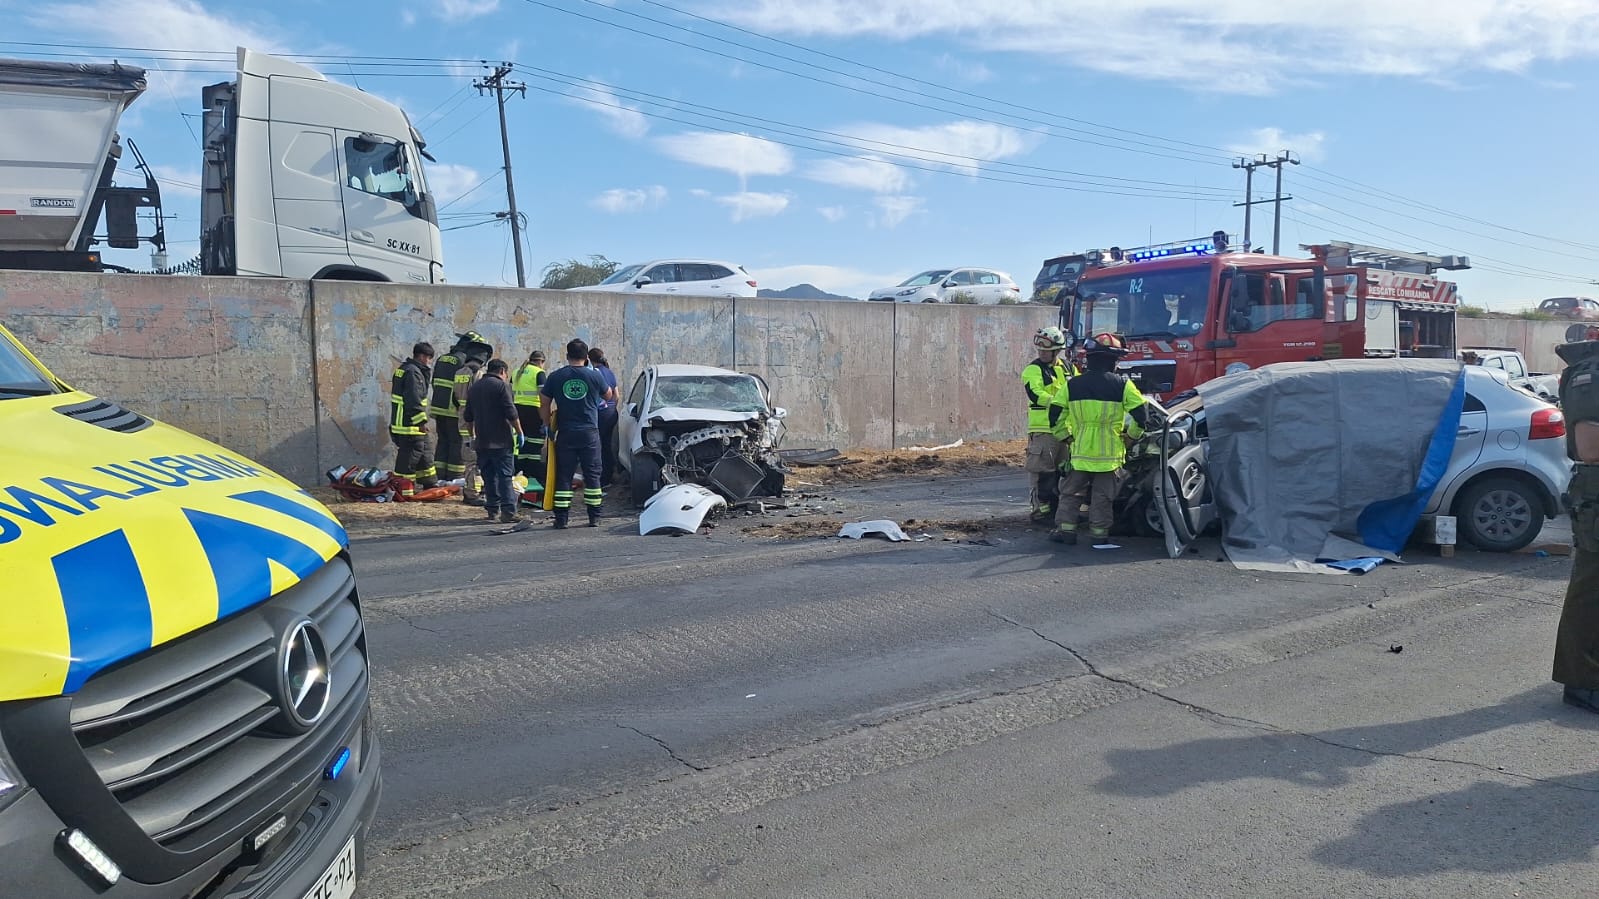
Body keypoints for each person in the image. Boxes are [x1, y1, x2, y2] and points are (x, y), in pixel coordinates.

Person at [1048, 332, 1150, 547]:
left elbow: (1055, 414)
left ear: (1090, 358)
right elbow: (1142, 416)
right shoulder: (1123, 385)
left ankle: (1066, 531)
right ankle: (1099, 534)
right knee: (1103, 497)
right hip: (1109, 456)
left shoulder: (1072, 385)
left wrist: (1065, 437)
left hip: (1080, 453)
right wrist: (1131, 437)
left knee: (1071, 493)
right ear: (1113, 360)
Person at [1553, 338, 1599, 713]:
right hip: (1597, 492)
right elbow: (1591, 446)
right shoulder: (1592, 374)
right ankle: (1581, 682)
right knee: (1591, 588)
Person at [540, 338, 615, 529]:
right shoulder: (594, 376)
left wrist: (547, 424)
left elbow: (544, 401)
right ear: (586, 358)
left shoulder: (556, 376)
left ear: (567, 356)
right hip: (589, 432)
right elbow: (609, 396)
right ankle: (594, 517)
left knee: (564, 475)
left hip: (565, 432)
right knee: (592, 475)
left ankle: (562, 519)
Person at [1021, 326, 1074, 523]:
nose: (1042, 353)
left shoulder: (1068, 368)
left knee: (1064, 472)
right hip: (1043, 431)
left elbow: (1077, 388)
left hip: (1066, 429)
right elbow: (1035, 394)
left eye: (1046, 350)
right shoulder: (1033, 370)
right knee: (1041, 471)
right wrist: (1060, 402)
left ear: (1056, 351)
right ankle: (1040, 511)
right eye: (1040, 350)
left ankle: (1057, 511)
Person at [463, 358, 523, 524]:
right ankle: (509, 512)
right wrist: (519, 432)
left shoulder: (475, 388)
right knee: (504, 476)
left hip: (482, 441)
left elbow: (468, 417)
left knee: (488, 477)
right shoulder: (502, 386)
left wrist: (472, 435)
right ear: (502, 371)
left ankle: (492, 510)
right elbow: (511, 413)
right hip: (501, 441)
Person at [429, 331, 490, 485]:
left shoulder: (443, 358)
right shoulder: (464, 362)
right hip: (453, 410)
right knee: (457, 443)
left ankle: (441, 476)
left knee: (442, 442)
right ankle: (454, 477)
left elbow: (434, 381)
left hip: (438, 408)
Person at [389, 342, 439, 496]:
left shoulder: (404, 369)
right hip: (409, 424)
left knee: (424, 450)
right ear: (423, 357)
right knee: (410, 455)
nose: (430, 362)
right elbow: (413, 400)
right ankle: (402, 489)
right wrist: (421, 422)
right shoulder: (413, 373)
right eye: (429, 358)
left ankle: (429, 484)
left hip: (402, 422)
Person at [512, 350, 548, 493]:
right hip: (534, 412)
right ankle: (533, 477)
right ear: (541, 362)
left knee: (521, 445)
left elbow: (510, 393)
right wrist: (546, 420)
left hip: (517, 412)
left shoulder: (516, 372)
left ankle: (521, 475)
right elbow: (542, 398)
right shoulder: (539, 373)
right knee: (535, 445)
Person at [588, 346, 621, 487]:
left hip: (600, 413)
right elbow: (617, 395)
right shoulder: (610, 372)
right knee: (607, 445)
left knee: (597, 445)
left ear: (590, 359)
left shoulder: (594, 373)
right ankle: (609, 475)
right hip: (612, 412)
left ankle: (601, 478)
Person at [454, 359, 484, 506]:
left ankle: (472, 490)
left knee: (469, 456)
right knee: (473, 458)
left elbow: (455, 397)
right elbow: (479, 396)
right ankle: (472, 493)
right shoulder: (477, 373)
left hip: (462, 418)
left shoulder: (459, 373)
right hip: (474, 419)